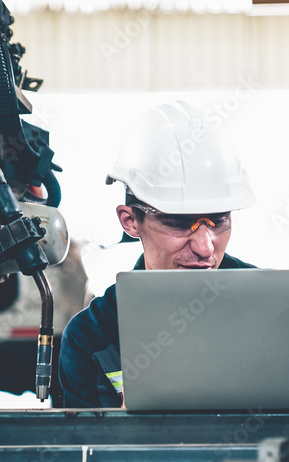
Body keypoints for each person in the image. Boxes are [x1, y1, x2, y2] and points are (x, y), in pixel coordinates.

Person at [59, 101, 256, 407]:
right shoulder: (92, 337)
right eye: (178, 222)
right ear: (130, 221)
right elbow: (86, 451)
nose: (205, 248)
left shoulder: (279, 309)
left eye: (218, 221)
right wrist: (126, 426)